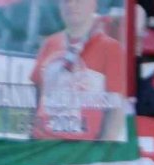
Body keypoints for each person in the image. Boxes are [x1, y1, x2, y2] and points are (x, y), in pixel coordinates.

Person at [30, 0, 127, 141]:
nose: (71, 5)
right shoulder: (50, 44)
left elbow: (116, 111)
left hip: (80, 147)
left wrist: (102, 150)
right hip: (41, 142)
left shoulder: (111, 48)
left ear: (93, 4)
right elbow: (36, 97)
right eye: (66, 1)